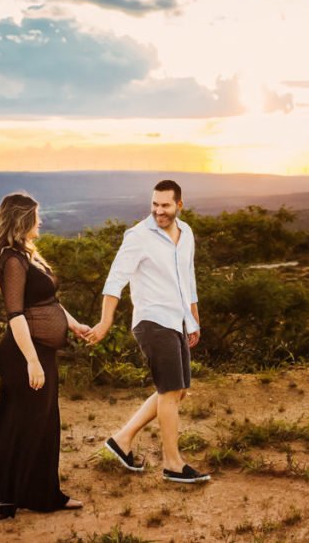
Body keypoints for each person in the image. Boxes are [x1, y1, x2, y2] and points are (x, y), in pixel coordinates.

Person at [0, 192, 89, 521]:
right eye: (37, 216)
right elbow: (16, 315)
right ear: (22, 220)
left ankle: (42, 495)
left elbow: (49, 301)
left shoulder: (27, 255)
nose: (41, 221)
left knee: (44, 425)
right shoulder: (12, 260)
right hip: (22, 355)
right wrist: (32, 360)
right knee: (19, 426)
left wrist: (74, 325)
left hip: (41, 351)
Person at [84, 179, 210, 483]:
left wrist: (193, 319)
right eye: (154, 204)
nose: (159, 211)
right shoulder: (138, 236)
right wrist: (105, 322)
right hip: (152, 321)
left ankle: (122, 439)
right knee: (169, 392)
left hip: (176, 320)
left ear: (179, 205)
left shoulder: (187, 233)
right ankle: (172, 464)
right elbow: (114, 281)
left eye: (165, 205)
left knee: (176, 391)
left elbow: (187, 278)